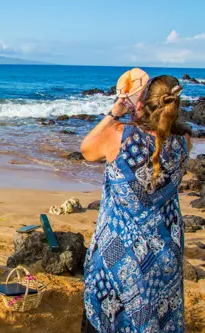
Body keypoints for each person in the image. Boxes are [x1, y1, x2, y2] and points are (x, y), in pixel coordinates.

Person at [80, 74, 191, 333]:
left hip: (118, 254)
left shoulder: (120, 135)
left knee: (109, 320)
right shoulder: (184, 141)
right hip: (166, 252)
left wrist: (115, 111)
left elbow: (86, 149)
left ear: (141, 103)